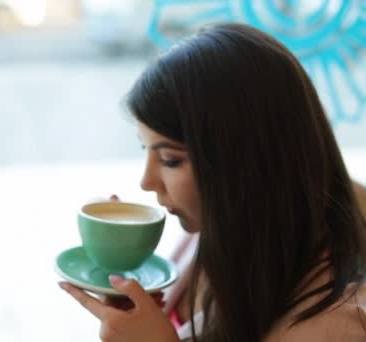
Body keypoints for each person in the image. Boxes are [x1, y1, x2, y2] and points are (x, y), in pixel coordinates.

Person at [58, 23, 366, 341]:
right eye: (144, 149)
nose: (146, 182)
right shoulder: (212, 236)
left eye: (169, 160)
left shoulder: (335, 326)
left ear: (246, 163)